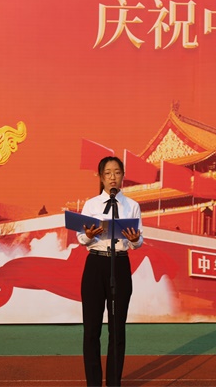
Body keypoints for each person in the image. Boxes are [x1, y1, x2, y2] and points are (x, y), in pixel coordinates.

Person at [77, 156, 143, 387]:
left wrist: (135, 239)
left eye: (117, 172)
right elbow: (81, 238)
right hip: (95, 265)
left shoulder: (132, 205)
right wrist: (89, 235)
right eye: (107, 173)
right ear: (101, 177)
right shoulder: (91, 204)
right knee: (91, 330)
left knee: (117, 331)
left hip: (120, 265)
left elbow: (138, 241)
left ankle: (114, 383)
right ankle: (93, 383)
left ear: (123, 175)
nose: (112, 177)